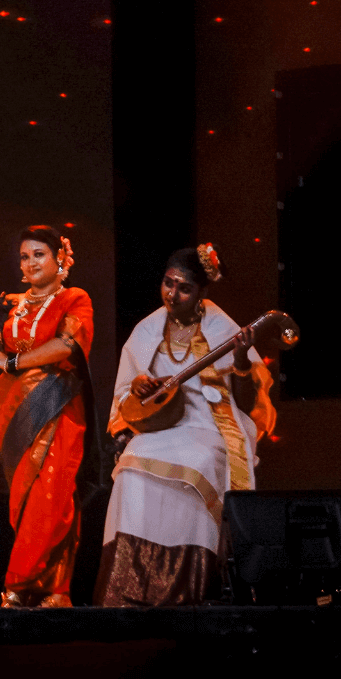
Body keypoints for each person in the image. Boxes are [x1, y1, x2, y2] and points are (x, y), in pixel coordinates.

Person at [96, 245, 274, 605]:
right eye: (168, 283)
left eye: (184, 288)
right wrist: (138, 386)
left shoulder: (221, 328)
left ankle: (184, 592)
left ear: (201, 293)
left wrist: (241, 358)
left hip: (210, 426)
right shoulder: (147, 330)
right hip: (160, 427)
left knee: (198, 463)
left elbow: (244, 403)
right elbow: (125, 394)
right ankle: (126, 593)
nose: (172, 294)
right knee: (129, 468)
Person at [0, 226, 96, 608]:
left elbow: (68, 345)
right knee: (25, 499)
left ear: (60, 258)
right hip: (13, 412)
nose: (30, 263)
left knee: (54, 494)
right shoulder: (12, 303)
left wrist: (12, 362)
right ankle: (49, 587)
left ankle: (27, 583)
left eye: (39, 254)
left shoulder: (74, 298)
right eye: (25, 257)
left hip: (57, 404)